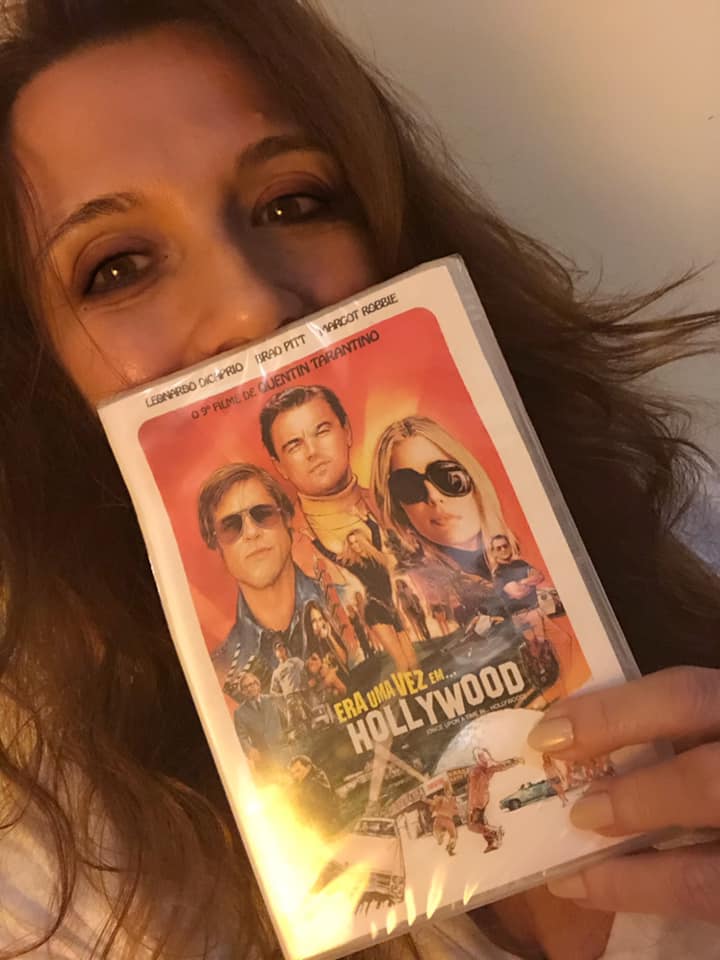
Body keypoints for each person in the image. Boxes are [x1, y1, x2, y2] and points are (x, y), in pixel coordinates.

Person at [0, 2, 718, 959]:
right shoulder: (48, 858)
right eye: (118, 267)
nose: (252, 308)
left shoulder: (680, 535)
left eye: (292, 204)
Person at [197, 462, 323, 696]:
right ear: (217, 545)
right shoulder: (220, 673)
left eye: (262, 514)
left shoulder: (353, 602)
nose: (252, 532)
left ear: (287, 519)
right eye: (231, 526)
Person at [466, 749, 521, 853]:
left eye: (482, 758)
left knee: (473, 825)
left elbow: (501, 766)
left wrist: (514, 761)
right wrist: (514, 761)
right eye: (481, 758)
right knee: (481, 822)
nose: (482, 760)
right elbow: (501, 765)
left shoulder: (481, 769)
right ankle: (492, 842)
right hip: (481, 798)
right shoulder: (485, 768)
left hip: (477, 800)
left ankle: (495, 832)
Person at [232, 671, 287, 764]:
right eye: (245, 687)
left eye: (252, 684)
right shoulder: (239, 713)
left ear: (258, 685)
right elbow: (241, 737)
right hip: (263, 758)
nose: (250, 688)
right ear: (242, 692)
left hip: (283, 749)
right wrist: (249, 750)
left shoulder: (272, 699)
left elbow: (285, 721)